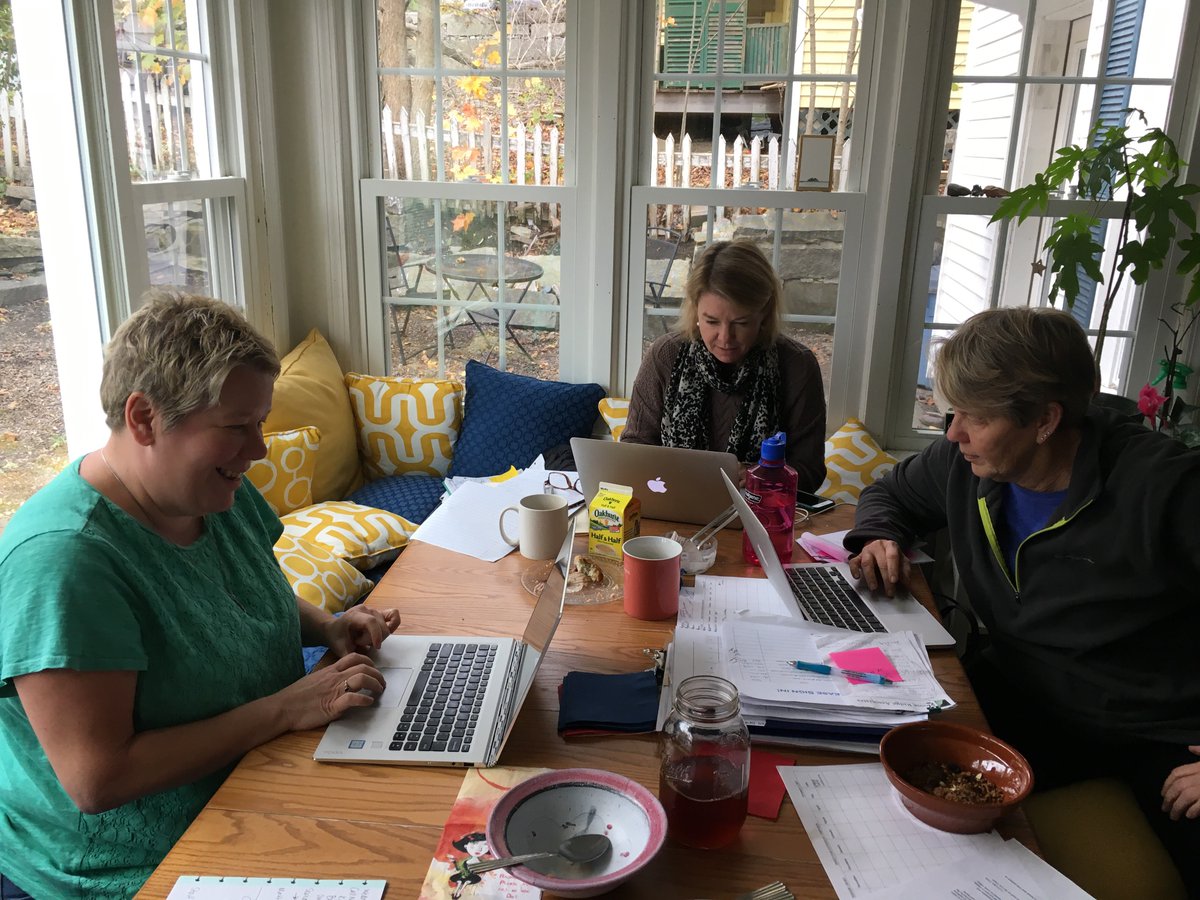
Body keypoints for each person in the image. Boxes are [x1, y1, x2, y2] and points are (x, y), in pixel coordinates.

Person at [0, 292, 401, 899]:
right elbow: (98, 779)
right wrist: (285, 709)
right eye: (237, 427)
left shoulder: (209, 490)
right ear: (144, 418)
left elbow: (235, 593)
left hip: (257, 777)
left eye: (260, 422)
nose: (259, 448)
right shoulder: (67, 561)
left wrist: (327, 627)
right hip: (132, 866)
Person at [844, 306, 1200, 891]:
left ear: (1045, 419)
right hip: (1023, 697)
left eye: (976, 418)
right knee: (881, 771)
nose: (953, 433)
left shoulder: (1165, 488)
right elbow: (890, 495)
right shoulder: (964, 464)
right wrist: (880, 535)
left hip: (1153, 731)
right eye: (953, 412)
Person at [621, 239, 827, 491]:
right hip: (673, 504)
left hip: (760, 509)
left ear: (764, 313)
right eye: (711, 321)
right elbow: (634, 446)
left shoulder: (797, 365)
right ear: (695, 310)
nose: (725, 337)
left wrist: (762, 477)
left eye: (741, 323)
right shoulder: (665, 355)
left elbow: (810, 470)